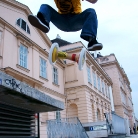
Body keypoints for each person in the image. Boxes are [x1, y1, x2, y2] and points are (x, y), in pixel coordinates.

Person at [28, 0, 103, 53]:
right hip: (62, 21)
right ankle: (43, 22)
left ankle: (92, 41)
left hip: (76, 20)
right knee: (44, 6)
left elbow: (93, 1)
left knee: (91, 12)